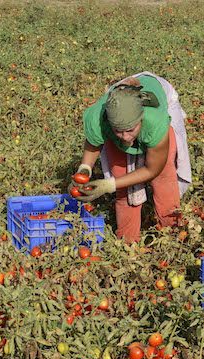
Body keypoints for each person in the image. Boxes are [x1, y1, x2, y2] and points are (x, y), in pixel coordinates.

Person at [69, 72, 192, 243]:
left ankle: (172, 235)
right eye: (118, 131)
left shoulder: (155, 121)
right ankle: (128, 242)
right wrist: (84, 169)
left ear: (141, 120)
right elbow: (93, 143)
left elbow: (153, 169)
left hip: (156, 112)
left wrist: (107, 185)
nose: (125, 137)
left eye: (130, 130)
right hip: (121, 108)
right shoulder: (98, 118)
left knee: (164, 177)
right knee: (122, 181)